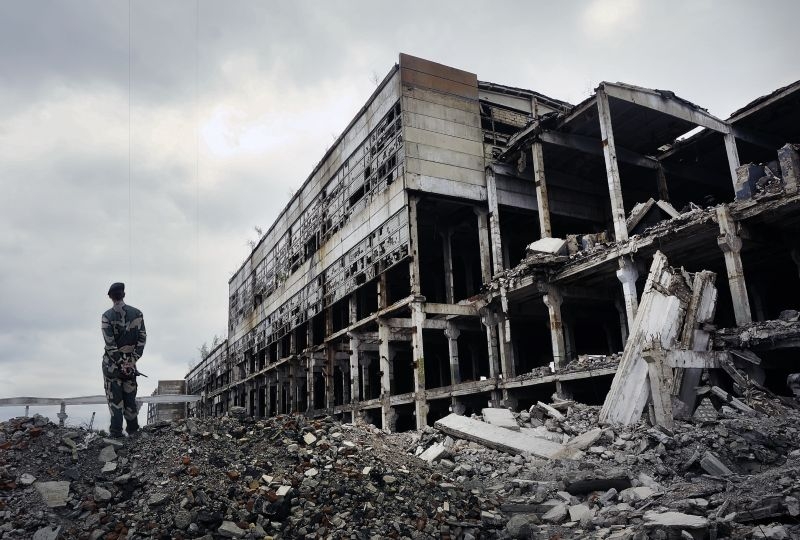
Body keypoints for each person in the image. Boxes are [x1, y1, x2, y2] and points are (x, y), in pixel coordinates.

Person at [101, 282, 147, 438]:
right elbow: (142, 340)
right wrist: (131, 361)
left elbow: (110, 345)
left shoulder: (107, 316)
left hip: (112, 368)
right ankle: (133, 432)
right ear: (124, 295)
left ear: (110, 297)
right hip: (130, 367)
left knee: (115, 402)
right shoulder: (138, 314)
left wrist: (120, 363)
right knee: (130, 400)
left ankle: (116, 435)